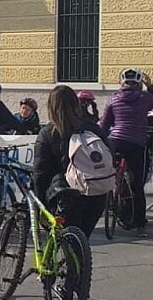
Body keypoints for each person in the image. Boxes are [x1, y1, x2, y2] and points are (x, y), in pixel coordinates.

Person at [31, 85, 109, 240]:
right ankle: (79, 262)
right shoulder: (93, 128)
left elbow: (40, 173)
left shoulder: (48, 133)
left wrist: (40, 207)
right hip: (96, 193)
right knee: (80, 241)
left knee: (65, 241)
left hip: (64, 196)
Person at [99, 69, 153, 235]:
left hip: (115, 141)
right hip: (137, 143)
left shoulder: (113, 99)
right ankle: (140, 225)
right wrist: (150, 86)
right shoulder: (144, 97)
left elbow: (104, 125)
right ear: (138, 83)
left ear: (120, 82)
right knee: (137, 186)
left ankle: (113, 194)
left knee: (108, 175)